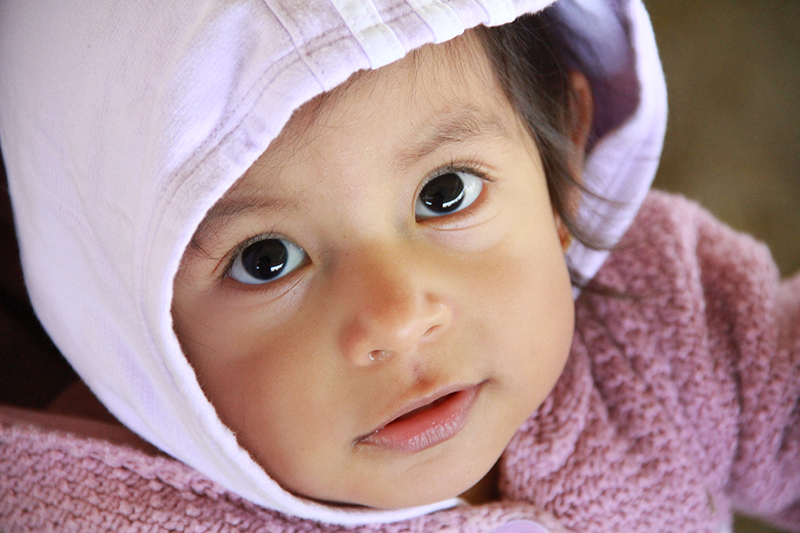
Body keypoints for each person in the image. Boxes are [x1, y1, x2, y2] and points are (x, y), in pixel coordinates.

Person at [0, 0, 797, 532]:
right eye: (267, 259)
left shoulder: (663, 316)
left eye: (445, 194)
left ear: (561, 173)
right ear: (137, 343)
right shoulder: (93, 510)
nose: (399, 316)